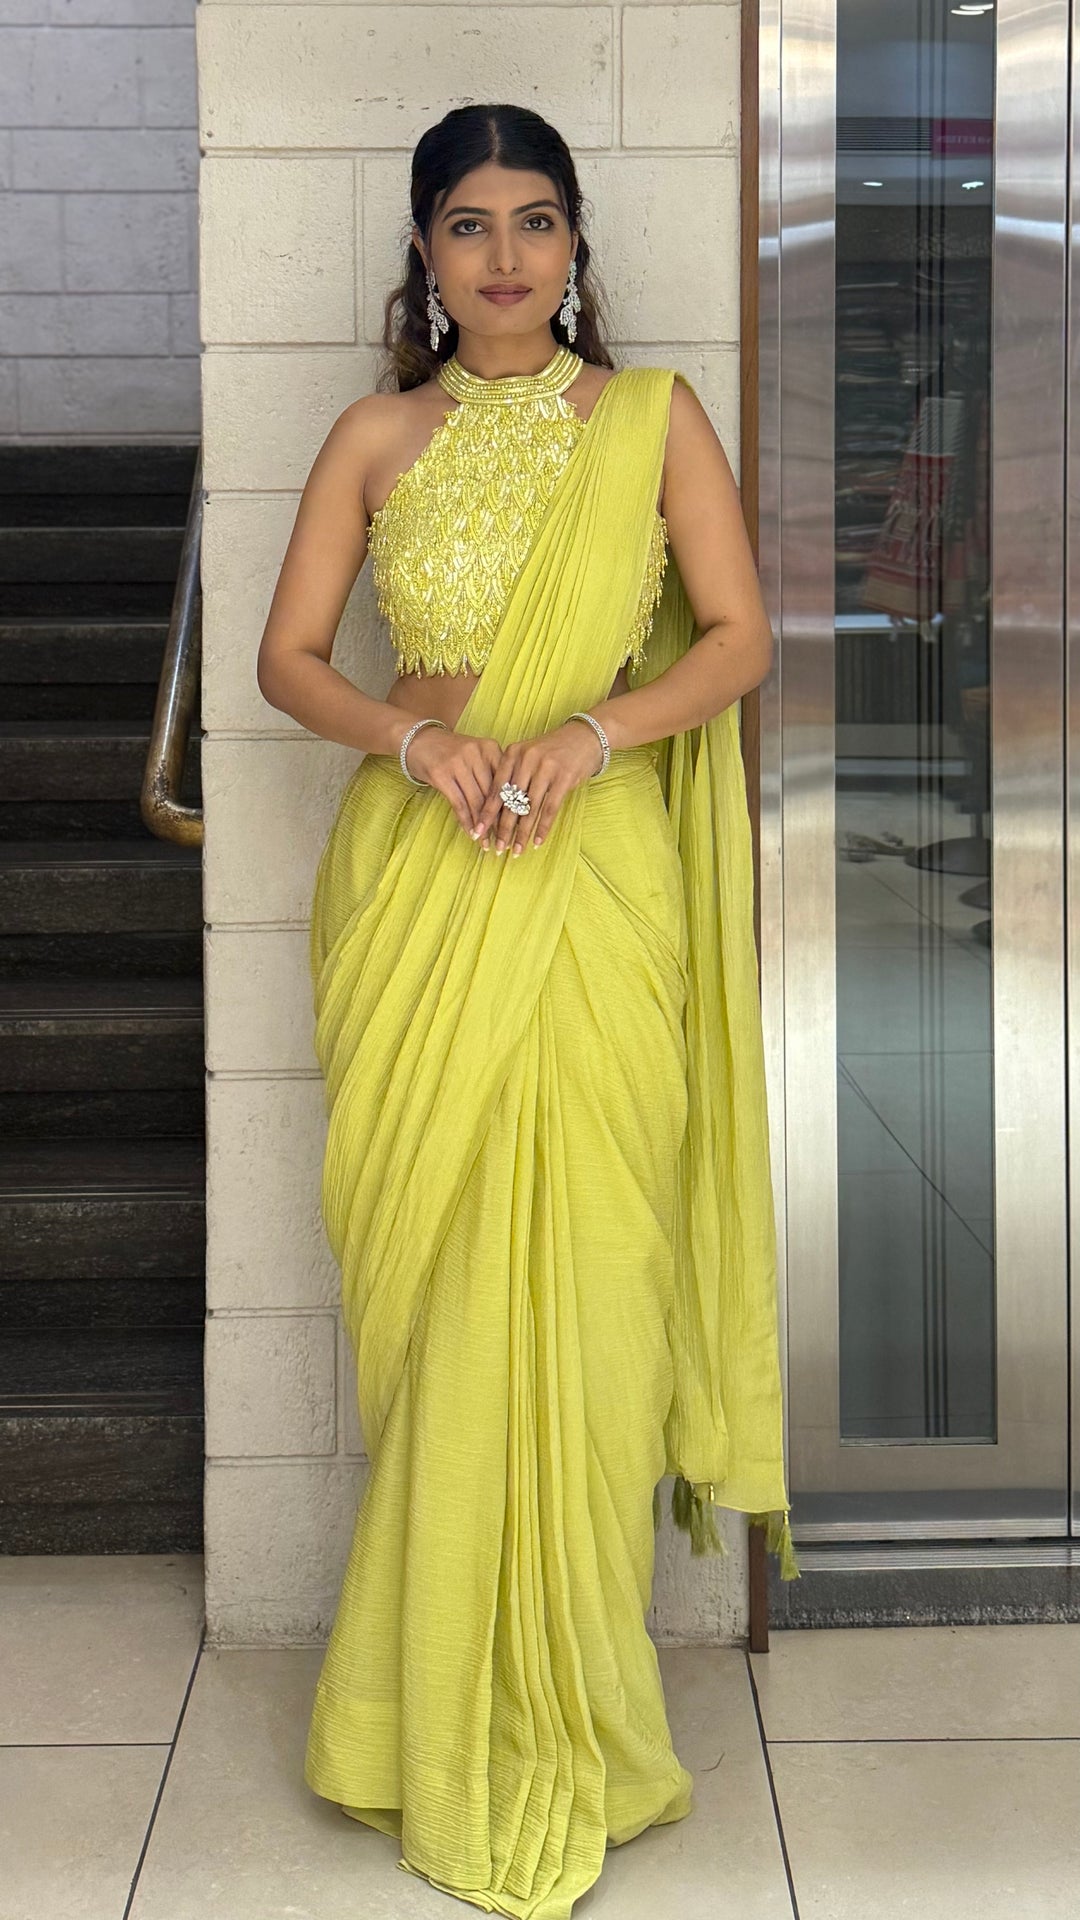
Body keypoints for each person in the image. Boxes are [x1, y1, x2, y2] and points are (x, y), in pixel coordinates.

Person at [256, 100, 796, 1920]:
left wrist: (589, 732)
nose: (506, 256)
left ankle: (582, 1709)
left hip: (598, 877)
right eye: (471, 224)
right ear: (424, 250)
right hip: (422, 880)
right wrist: (413, 742)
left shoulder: (652, 421)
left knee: (598, 1296)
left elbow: (737, 639)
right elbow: (287, 659)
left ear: (577, 247)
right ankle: (418, 1718)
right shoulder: (375, 435)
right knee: (443, 1313)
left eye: (538, 220)